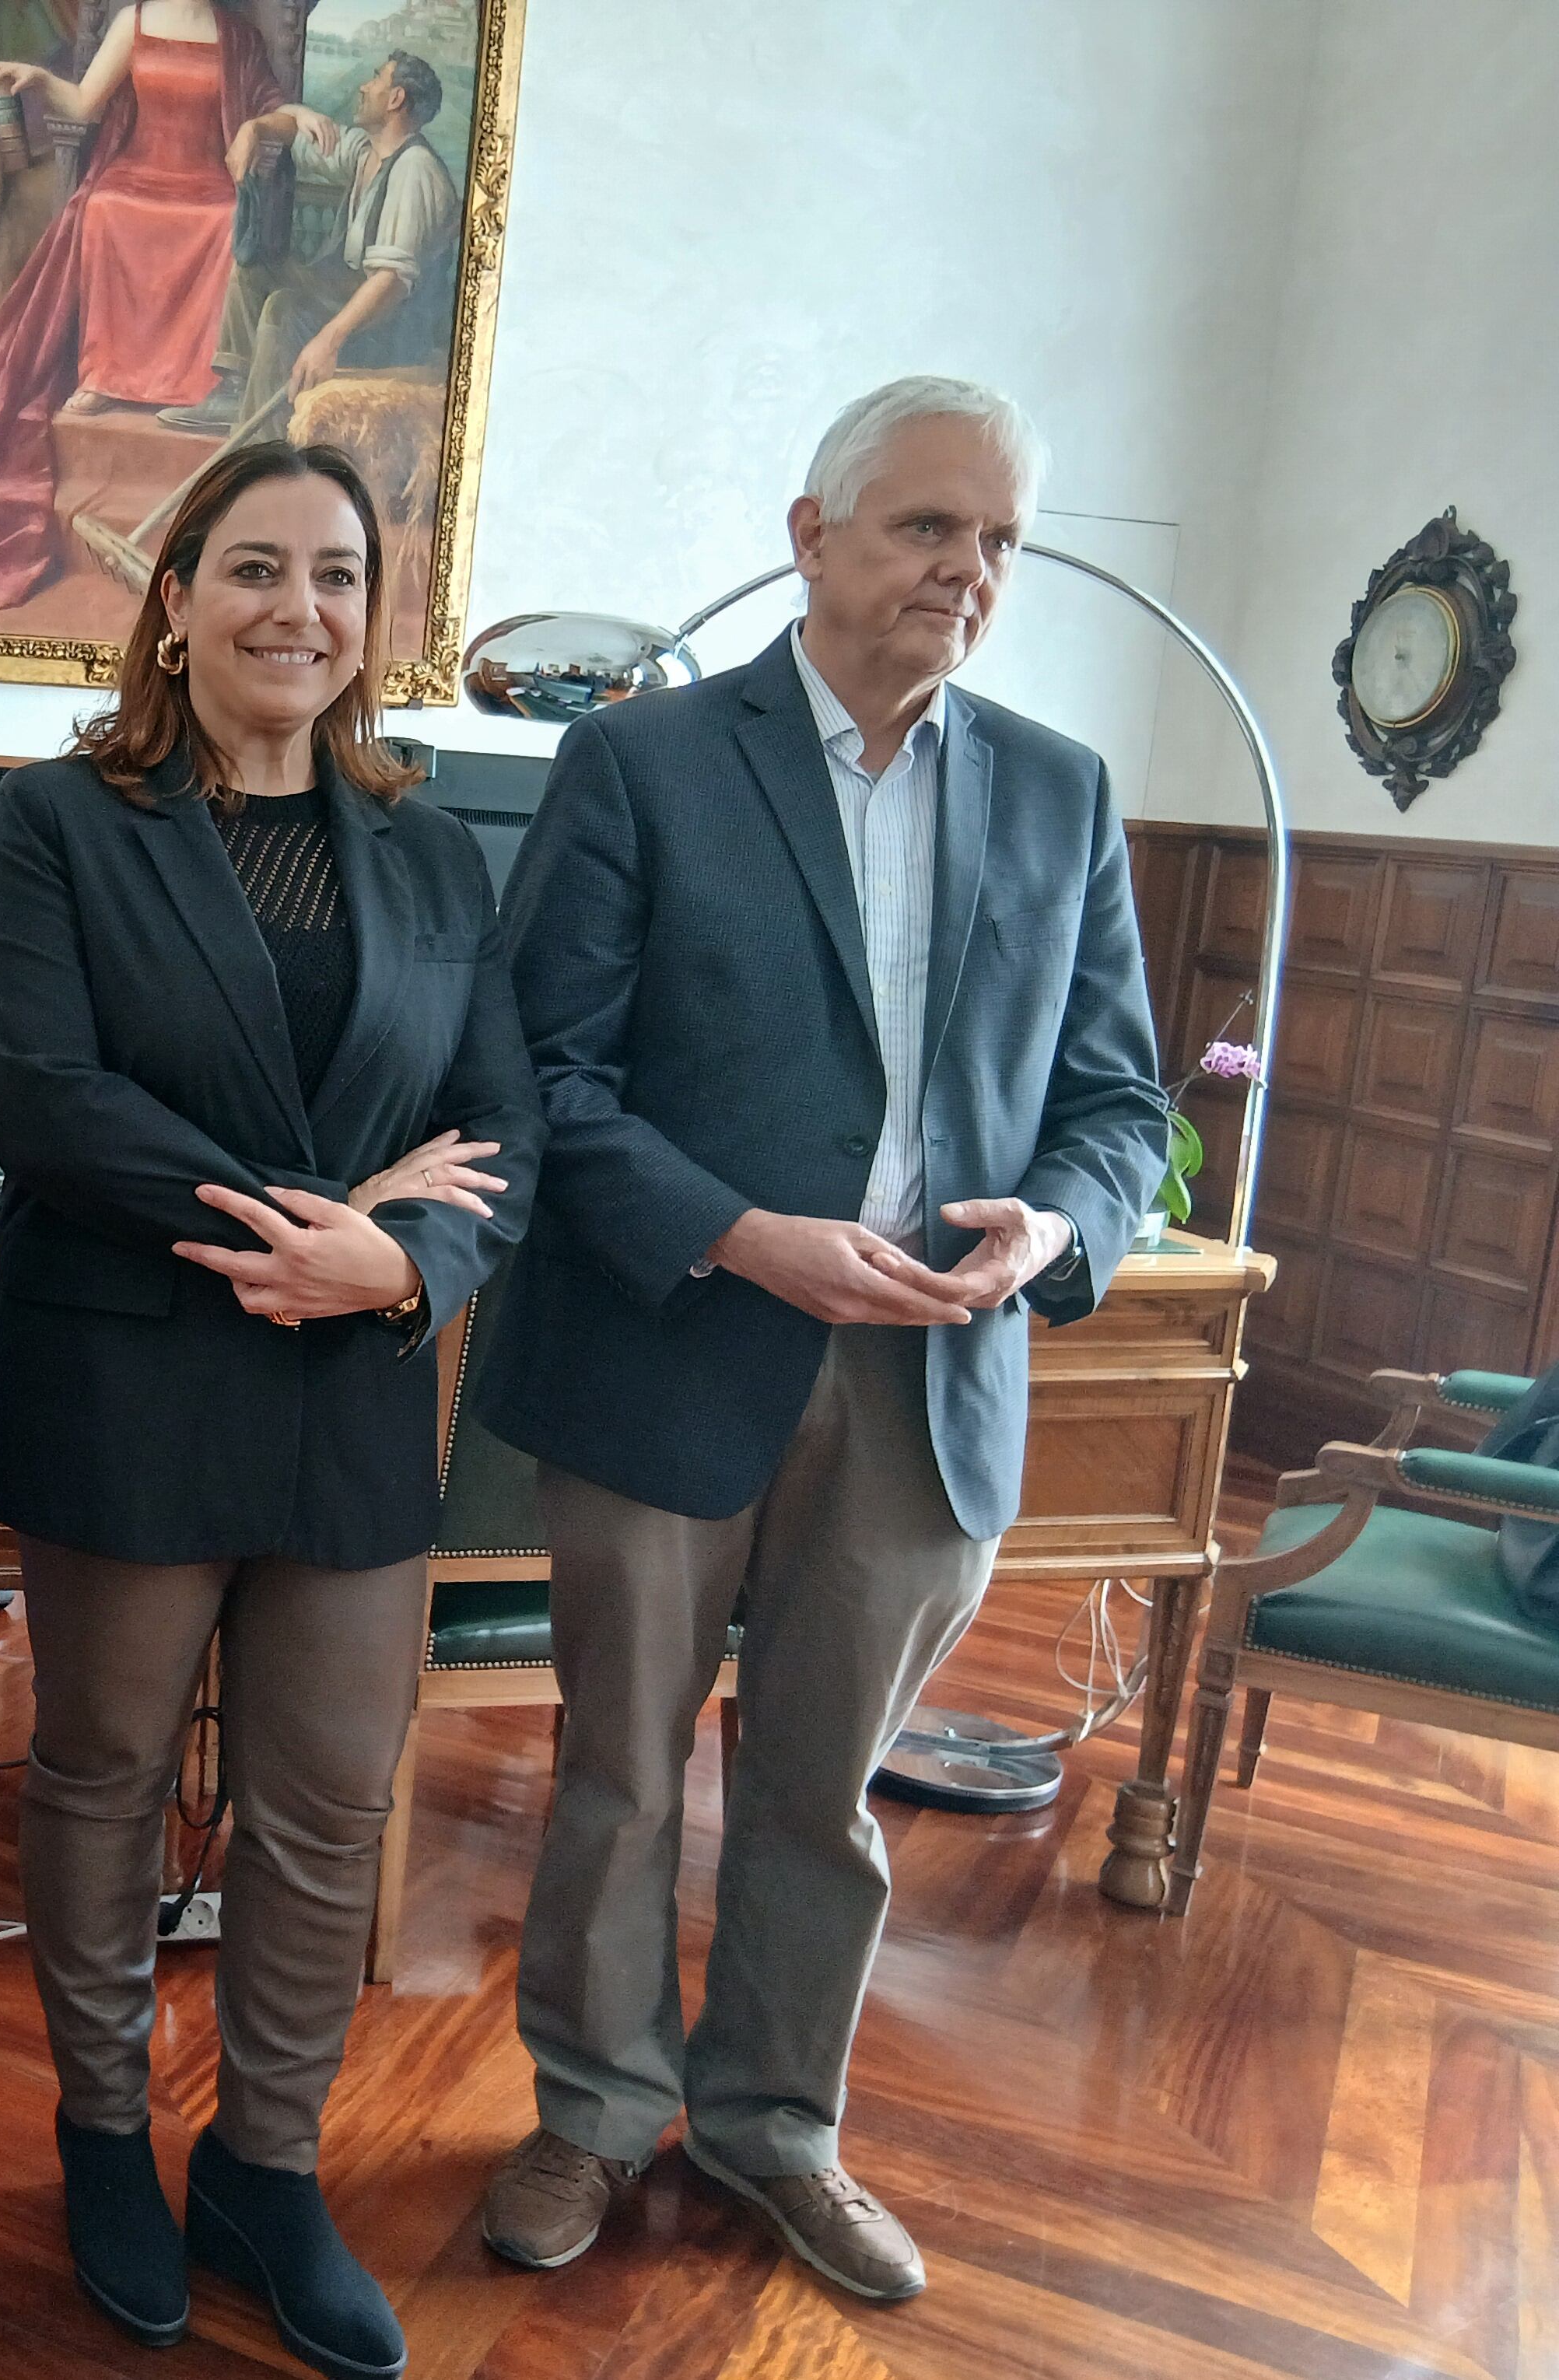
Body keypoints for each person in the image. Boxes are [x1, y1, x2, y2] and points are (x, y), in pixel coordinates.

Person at [475, 378, 1170, 2301]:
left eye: (998, 541)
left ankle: (775, 2126)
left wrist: (1050, 1227)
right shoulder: (643, 766)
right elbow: (544, 1068)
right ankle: (590, 2116)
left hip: (928, 1375)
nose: (964, 569)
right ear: (811, 534)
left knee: (819, 1796)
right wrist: (732, 1235)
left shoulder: (1057, 791)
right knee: (617, 1775)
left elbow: (1118, 1109)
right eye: (924, 527)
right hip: (671, 1345)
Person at [0, 439, 542, 2380]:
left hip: (353, 1389)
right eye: (253, 568)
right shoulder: (61, 821)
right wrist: (312, 1225)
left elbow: (500, 1133)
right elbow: (41, 1097)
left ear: (375, 620)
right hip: (134, 1371)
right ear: (174, 596)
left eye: (337, 576)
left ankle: (267, 2166)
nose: (297, 607)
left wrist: (402, 1267)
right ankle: (104, 2135)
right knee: (102, 1776)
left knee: (324, 1801)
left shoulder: (431, 845)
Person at [0, 0, 285, 613]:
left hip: (208, 178)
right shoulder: (133, 21)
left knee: (221, 221)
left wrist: (257, 128)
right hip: (137, 171)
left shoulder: (236, 36)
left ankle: (196, 378)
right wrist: (38, 81)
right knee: (106, 208)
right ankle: (109, 374)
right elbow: (85, 103)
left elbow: (273, 107)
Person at [162, 51, 461, 436]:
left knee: (284, 309)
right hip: (354, 295)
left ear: (396, 99)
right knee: (255, 268)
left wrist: (328, 341)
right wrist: (254, 128)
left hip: (391, 331)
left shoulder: (415, 169)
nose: (363, 87)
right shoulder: (363, 152)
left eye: (375, 79)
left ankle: (259, 442)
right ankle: (235, 393)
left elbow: (391, 282)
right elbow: (291, 131)